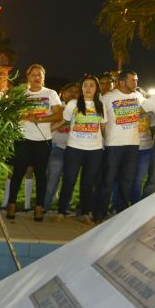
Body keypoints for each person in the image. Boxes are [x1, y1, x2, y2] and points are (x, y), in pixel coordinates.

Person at [6, 63, 62, 222]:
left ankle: (39, 207)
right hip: (23, 139)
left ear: (43, 78)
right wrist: (25, 117)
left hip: (42, 140)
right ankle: (11, 205)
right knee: (18, 173)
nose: (36, 77)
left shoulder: (50, 93)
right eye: (33, 75)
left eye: (40, 75)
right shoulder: (22, 94)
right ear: (28, 77)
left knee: (40, 175)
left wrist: (40, 118)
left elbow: (58, 115)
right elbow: (12, 115)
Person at [94, 69, 143, 221]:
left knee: (127, 180)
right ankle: (100, 212)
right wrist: (105, 139)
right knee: (108, 180)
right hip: (113, 145)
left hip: (133, 144)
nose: (136, 83)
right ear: (122, 82)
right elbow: (101, 123)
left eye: (136, 80)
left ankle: (120, 211)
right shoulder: (107, 97)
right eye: (132, 80)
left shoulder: (138, 96)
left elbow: (146, 111)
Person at [57, 75, 106, 224]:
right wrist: (47, 130)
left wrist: (107, 144)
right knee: (69, 180)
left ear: (96, 88)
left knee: (88, 182)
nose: (89, 88)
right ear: (81, 88)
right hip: (74, 148)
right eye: (85, 85)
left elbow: (103, 127)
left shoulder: (101, 105)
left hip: (95, 150)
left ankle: (85, 211)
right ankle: (61, 211)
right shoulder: (73, 103)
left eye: (92, 85)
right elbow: (64, 121)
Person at [43, 83, 79, 211]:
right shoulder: (57, 108)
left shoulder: (81, 109)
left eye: (76, 92)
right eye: (70, 91)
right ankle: (44, 206)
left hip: (74, 148)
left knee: (70, 180)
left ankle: (63, 207)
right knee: (53, 176)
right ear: (63, 93)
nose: (73, 94)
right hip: (57, 147)